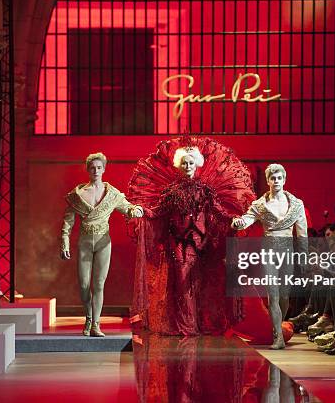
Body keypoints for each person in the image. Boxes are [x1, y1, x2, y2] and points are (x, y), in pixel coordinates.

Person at [127, 137, 256, 336]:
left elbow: (219, 212)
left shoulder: (205, 191)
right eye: (184, 163)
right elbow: (158, 211)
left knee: (197, 282)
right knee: (181, 279)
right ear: (179, 165)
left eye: (191, 163)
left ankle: (196, 322)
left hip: (201, 243)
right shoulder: (171, 192)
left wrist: (234, 220)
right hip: (177, 242)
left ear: (197, 165)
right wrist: (142, 211)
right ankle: (186, 324)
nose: (188, 166)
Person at [60, 152, 143, 337]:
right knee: (83, 285)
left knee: (98, 284)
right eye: (92, 168)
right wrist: (64, 241)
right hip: (84, 243)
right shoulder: (78, 195)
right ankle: (88, 317)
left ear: (104, 169)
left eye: (99, 167)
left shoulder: (112, 194)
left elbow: (126, 206)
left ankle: (95, 324)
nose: (96, 171)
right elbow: (68, 220)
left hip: (104, 242)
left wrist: (135, 210)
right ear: (87, 170)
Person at [232, 163, 308, 349]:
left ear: (284, 180)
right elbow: (246, 220)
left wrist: (304, 256)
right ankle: (278, 337)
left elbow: (302, 233)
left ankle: (279, 328)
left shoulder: (296, 205)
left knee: (284, 296)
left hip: (288, 251)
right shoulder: (260, 205)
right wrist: (238, 222)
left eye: (279, 178)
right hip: (269, 251)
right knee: (272, 296)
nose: (276, 181)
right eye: (272, 178)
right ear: (267, 181)